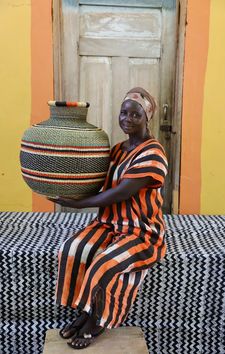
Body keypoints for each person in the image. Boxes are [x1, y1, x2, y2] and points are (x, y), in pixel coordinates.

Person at [49, 87, 168, 350]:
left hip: (140, 231)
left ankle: (98, 321)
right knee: (72, 249)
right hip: (109, 224)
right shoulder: (116, 150)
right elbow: (93, 179)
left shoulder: (153, 153)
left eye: (135, 114)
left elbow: (117, 194)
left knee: (104, 263)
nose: (127, 118)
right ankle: (84, 309)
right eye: (123, 112)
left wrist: (77, 204)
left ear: (147, 118)